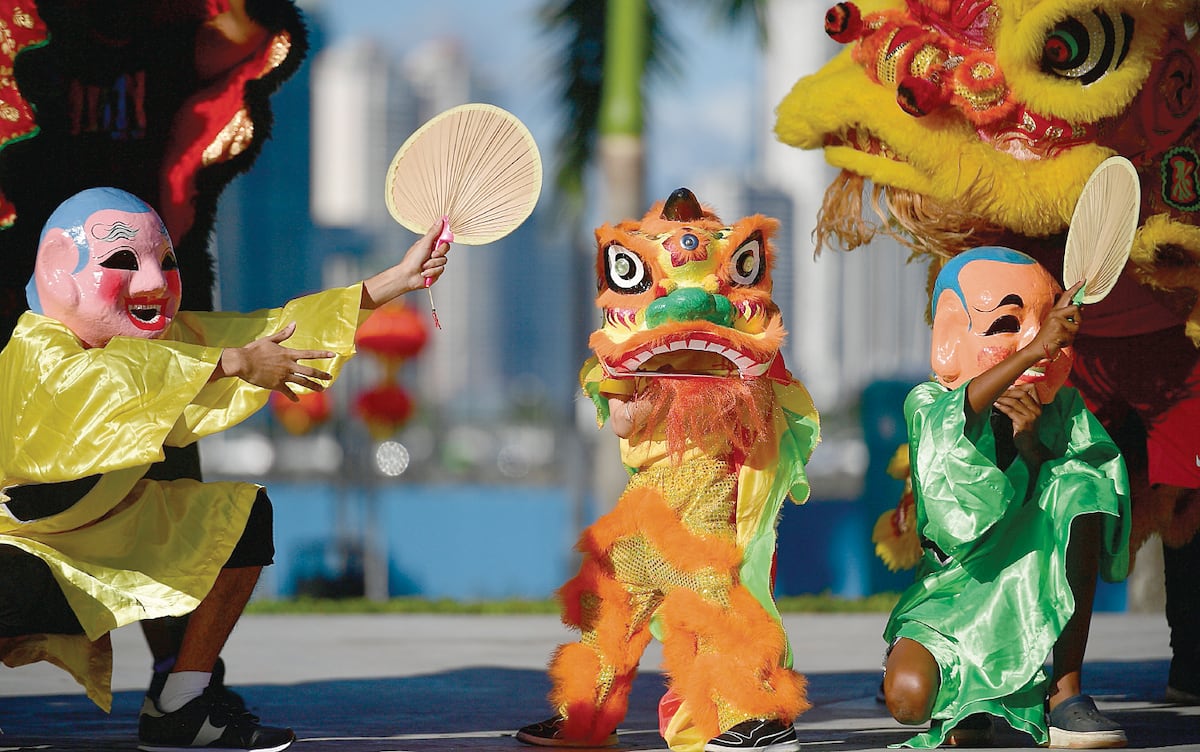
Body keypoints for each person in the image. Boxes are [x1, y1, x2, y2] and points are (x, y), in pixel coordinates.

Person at [0, 186, 448, 751]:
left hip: (103, 540)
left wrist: (395, 281)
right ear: (59, 274)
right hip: (22, 550)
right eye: (122, 262)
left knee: (241, 517)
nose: (153, 282)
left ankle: (180, 705)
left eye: (165, 262)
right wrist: (230, 362)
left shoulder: (169, 342)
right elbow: (99, 384)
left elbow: (273, 329)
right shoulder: (37, 347)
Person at [516, 189, 820, 752]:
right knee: (610, 600)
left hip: (706, 498)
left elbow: (759, 421)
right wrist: (637, 385)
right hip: (646, 503)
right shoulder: (625, 362)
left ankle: (756, 717)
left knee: (715, 606)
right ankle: (583, 715)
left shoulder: (753, 370)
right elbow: (624, 427)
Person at [882, 247, 1130, 748]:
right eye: (1007, 325)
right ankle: (963, 691)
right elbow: (958, 495)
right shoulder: (927, 404)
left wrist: (1030, 445)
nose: (1044, 341)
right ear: (950, 338)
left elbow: (1073, 486)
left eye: (1052, 326)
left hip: (1028, 580)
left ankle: (1065, 695)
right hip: (952, 592)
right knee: (909, 700)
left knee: (1082, 484)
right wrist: (1035, 351)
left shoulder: (1062, 407)